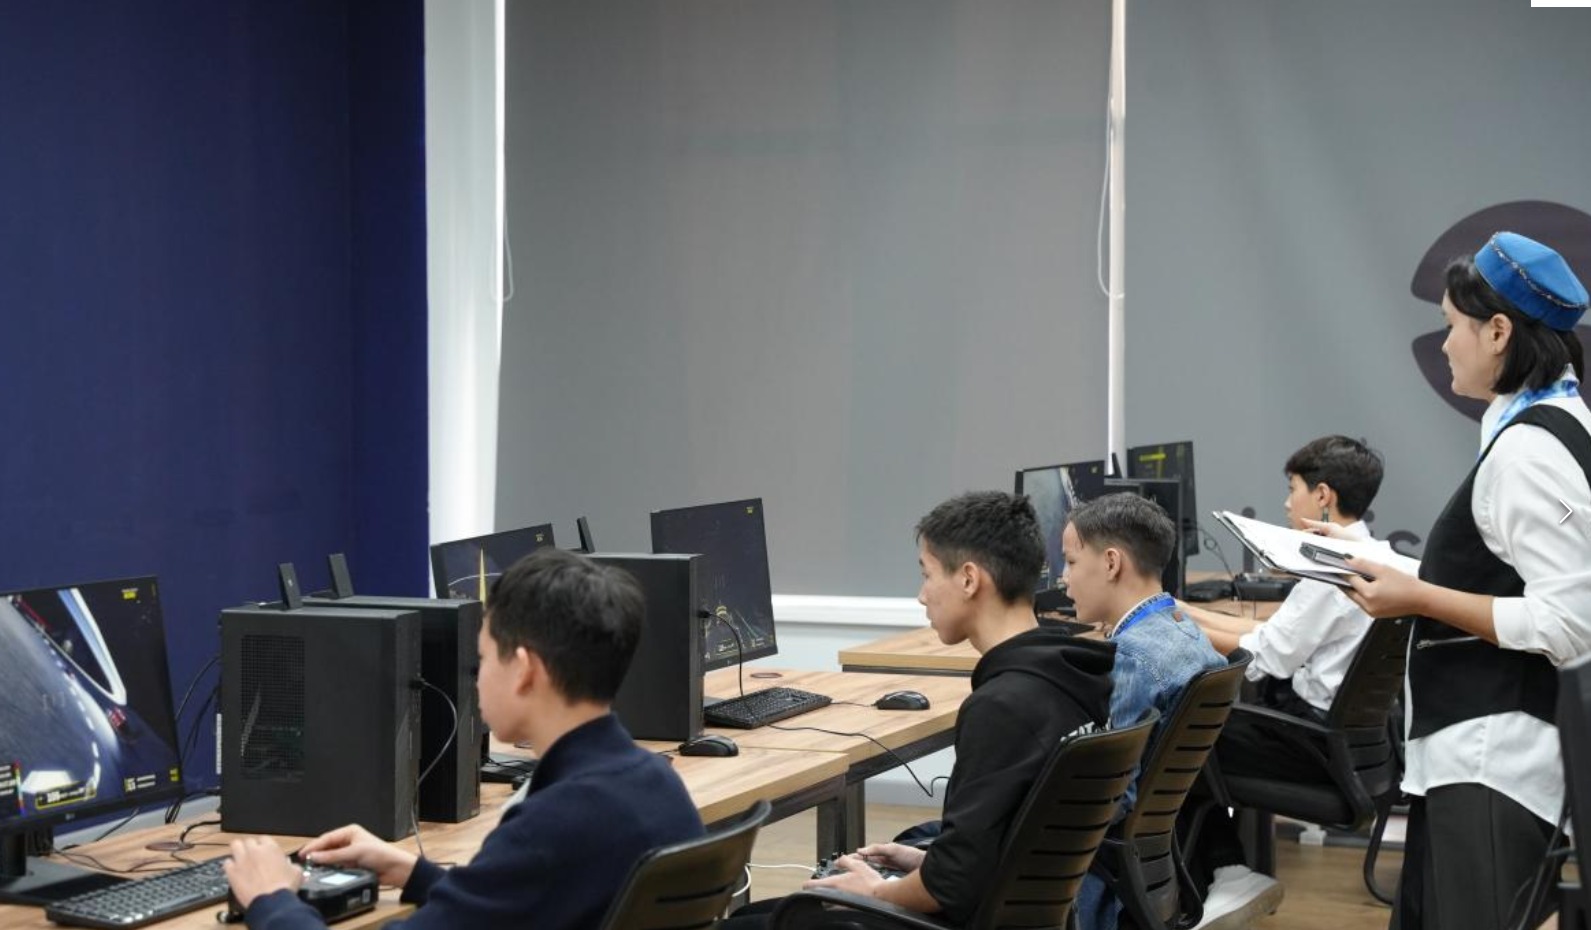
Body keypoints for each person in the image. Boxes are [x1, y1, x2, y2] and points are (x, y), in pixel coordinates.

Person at [223, 548, 705, 929]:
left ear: (524, 670)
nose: (476, 678)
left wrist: (272, 898)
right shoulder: (656, 784)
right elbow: (522, 902)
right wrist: (414, 873)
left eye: (483, 659)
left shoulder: (553, 825)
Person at [1336, 231, 1591, 930]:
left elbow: (1569, 625)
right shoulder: (1549, 425)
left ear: (1498, 332)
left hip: (1493, 761)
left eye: (1451, 325)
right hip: (1479, 753)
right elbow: (1502, 576)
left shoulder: (1527, 454)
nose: (1445, 343)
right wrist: (1382, 563)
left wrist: (1416, 596)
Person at [722, 491, 1115, 928]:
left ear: (969, 579)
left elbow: (951, 887)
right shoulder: (1069, 677)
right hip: (1017, 910)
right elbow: (1004, 846)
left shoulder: (1004, 706)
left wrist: (876, 891)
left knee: (745, 923)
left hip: (968, 917)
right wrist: (927, 860)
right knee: (766, 913)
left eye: (927, 575)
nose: (922, 595)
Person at [1175, 436, 1389, 927]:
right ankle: (1224, 874)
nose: (1287, 502)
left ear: (1323, 495)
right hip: (1352, 748)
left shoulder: (1330, 566)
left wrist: (1170, 622)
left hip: (1312, 745)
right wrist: (1187, 612)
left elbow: (1263, 657)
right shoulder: (1372, 554)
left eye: (1293, 489)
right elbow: (1270, 638)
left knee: (1175, 736)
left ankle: (1223, 872)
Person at [1063, 492, 1226, 930]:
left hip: (1104, 884)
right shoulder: (1188, 633)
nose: (1063, 579)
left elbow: (1114, 798)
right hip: (1155, 865)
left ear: (1111, 563)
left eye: (1072, 562)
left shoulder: (1134, 657)